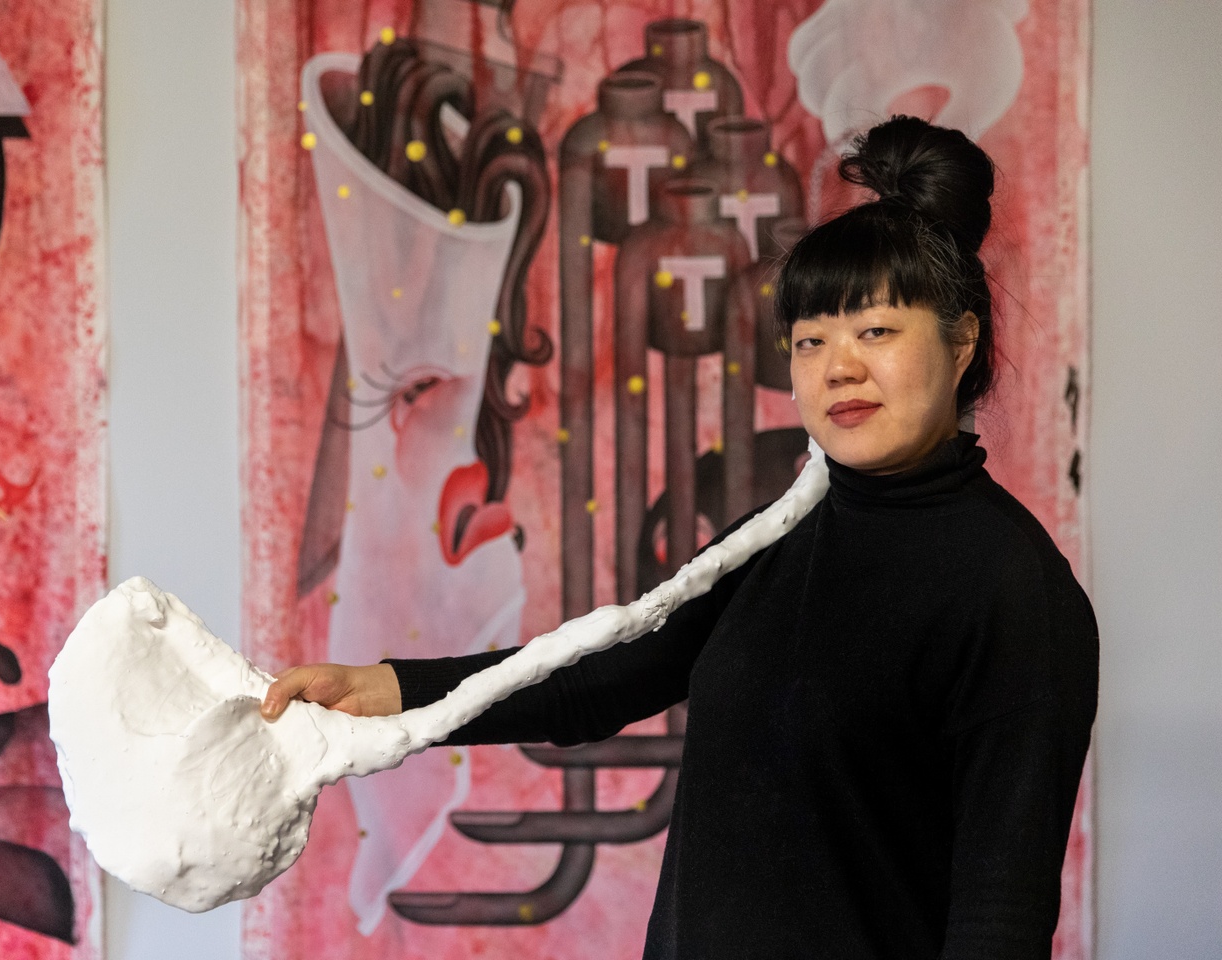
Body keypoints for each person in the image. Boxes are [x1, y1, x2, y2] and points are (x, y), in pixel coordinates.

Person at [259, 115, 1099, 960]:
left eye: (875, 331)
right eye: (811, 341)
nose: (839, 366)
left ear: (962, 342)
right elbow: (599, 681)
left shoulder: (1015, 590)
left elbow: (999, 918)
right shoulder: (774, 540)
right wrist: (398, 691)